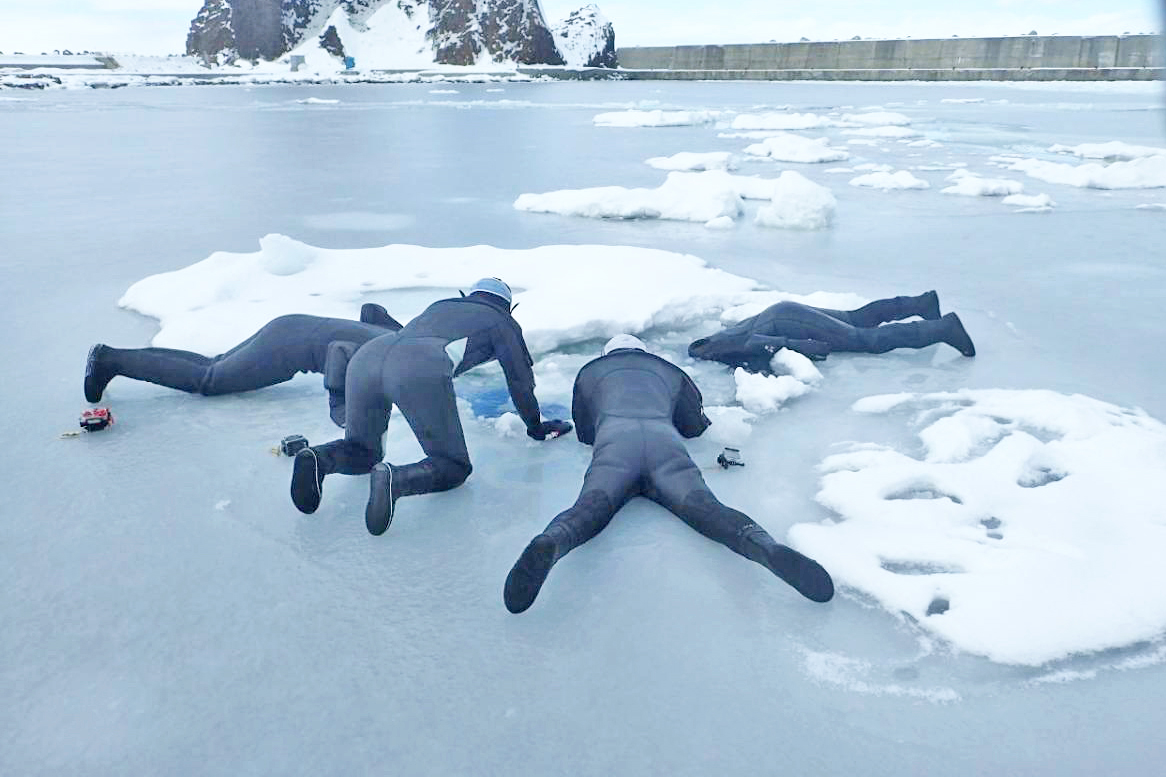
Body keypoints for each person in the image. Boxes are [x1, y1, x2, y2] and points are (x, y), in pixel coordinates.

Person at [503, 334, 834, 614]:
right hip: (666, 446)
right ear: (645, 351)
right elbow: (694, 426)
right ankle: (764, 547)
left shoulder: (589, 373)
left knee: (587, 510)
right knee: (709, 509)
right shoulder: (671, 371)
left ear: (607, 354)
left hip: (616, 446)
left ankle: (551, 542)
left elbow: (586, 434)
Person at [290, 278, 572, 535]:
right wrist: (536, 426)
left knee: (363, 452)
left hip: (367, 357)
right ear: (510, 308)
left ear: (466, 295)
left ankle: (318, 459)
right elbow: (520, 379)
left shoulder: (440, 306)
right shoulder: (502, 321)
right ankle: (395, 480)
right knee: (452, 466)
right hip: (418, 365)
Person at [83, 304, 403, 427]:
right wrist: (345, 411)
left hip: (291, 323)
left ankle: (112, 356)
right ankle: (110, 361)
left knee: (216, 364)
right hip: (288, 347)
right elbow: (340, 354)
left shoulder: (407, 338)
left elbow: (371, 311)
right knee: (210, 380)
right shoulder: (401, 361)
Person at [687, 291, 975, 373]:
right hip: (783, 313)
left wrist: (798, 345)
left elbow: (753, 341)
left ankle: (943, 328)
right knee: (857, 318)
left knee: (864, 340)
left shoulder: (708, 351)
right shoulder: (714, 341)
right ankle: (922, 303)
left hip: (786, 323)